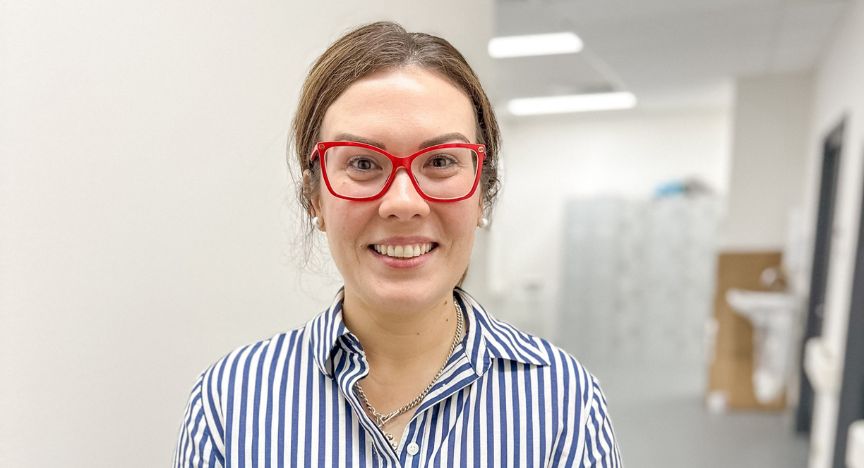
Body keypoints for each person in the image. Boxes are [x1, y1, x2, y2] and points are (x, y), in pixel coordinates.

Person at [173, 21, 622, 467]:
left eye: (441, 162)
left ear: (483, 191)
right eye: (364, 163)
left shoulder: (563, 402)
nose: (403, 203)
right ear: (315, 197)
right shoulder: (231, 401)